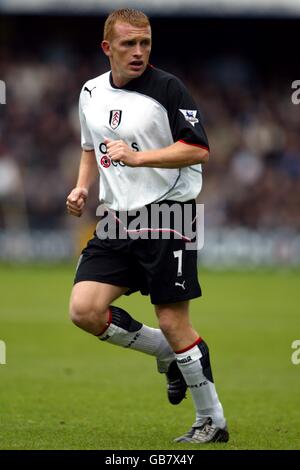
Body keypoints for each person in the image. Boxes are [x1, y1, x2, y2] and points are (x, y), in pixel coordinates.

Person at [66, 8, 228, 444]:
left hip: (167, 214)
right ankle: (168, 354)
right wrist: (82, 187)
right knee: (84, 310)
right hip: (115, 218)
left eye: (146, 43)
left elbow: (198, 150)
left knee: (174, 321)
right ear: (107, 48)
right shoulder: (91, 91)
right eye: (128, 44)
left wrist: (138, 158)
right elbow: (90, 147)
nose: (139, 52)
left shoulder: (169, 88)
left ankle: (212, 421)